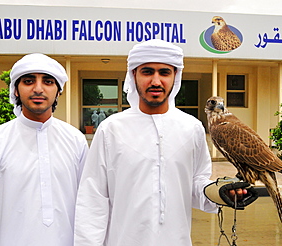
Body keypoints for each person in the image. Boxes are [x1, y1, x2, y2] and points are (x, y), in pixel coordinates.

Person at [74, 40, 255, 246]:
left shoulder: (192, 128)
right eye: (147, 72)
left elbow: (197, 184)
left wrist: (220, 192)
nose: (156, 81)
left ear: (175, 77)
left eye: (164, 72)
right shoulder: (111, 129)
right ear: (134, 75)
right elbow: (93, 199)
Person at [0, 53, 88, 246]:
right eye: (29, 81)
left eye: (48, 81)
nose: (38, 89)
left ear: (58, 91)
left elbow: (85, 201)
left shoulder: (75, 140)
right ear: (15, 90)